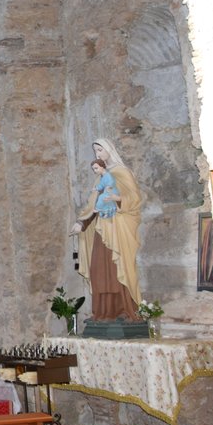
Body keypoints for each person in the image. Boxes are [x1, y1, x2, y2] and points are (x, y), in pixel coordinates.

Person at [71, 137, 143, 321]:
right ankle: (103, 312)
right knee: (99, 269)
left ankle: (125, 310)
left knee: (118, 267)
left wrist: (117, 199)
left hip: (117, 230)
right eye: (95, 151)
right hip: (101, 231)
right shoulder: (101, 177)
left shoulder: (122, 172)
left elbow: (135, 199)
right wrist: (82, 223)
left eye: (100, 150)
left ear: (109, 150)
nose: (98, 154)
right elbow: (92, 205)